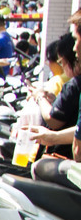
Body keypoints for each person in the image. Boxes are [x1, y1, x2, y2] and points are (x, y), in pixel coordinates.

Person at [24, 30, 80, 159]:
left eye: (61, 62)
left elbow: (53, 120)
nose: (75, 48)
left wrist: (40, 96)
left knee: (39, 167)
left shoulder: (73, 84)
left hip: (65, 156)